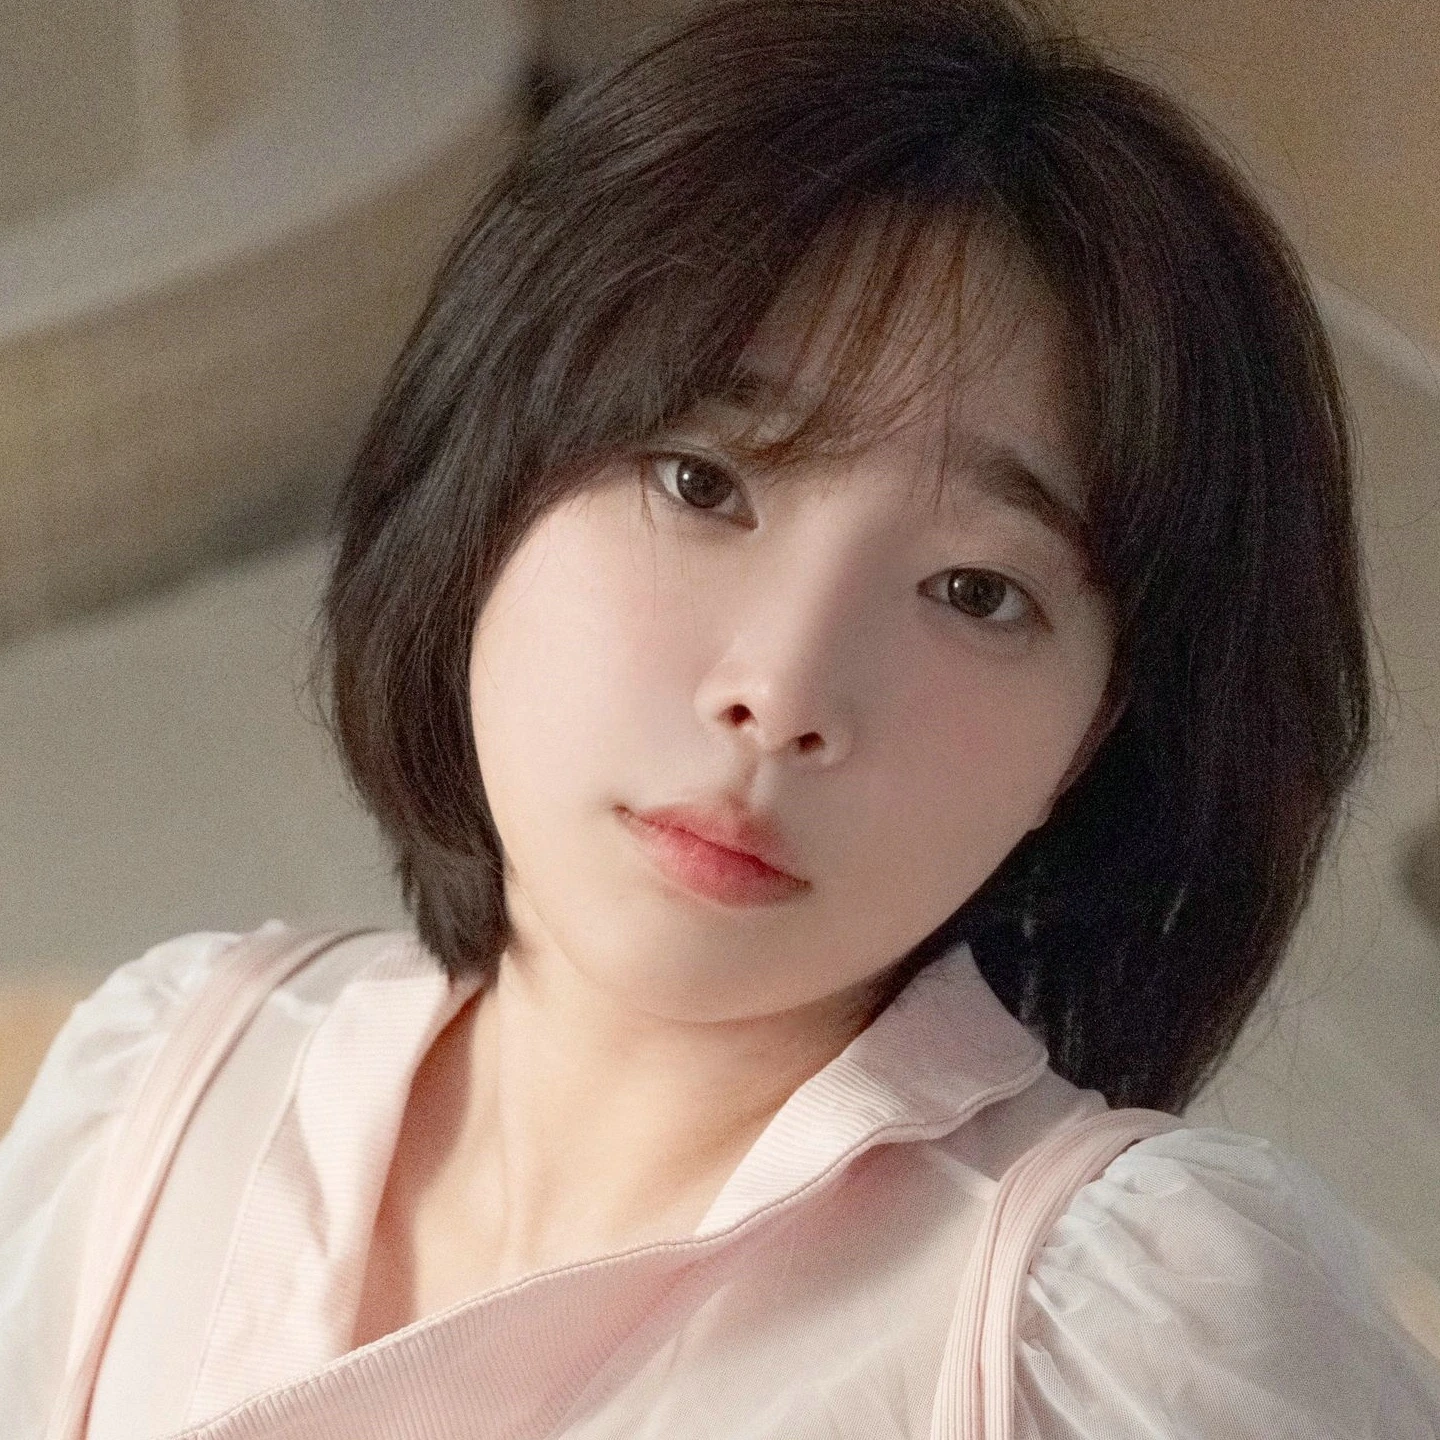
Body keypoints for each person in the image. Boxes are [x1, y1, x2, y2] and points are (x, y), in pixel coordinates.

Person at [4, 0, 1439, 1434]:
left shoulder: (1123, 1336)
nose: (784, 694)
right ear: (489, 474)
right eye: (703, 483)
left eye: (976, 592)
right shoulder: (165, 1088)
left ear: (1097, 735)